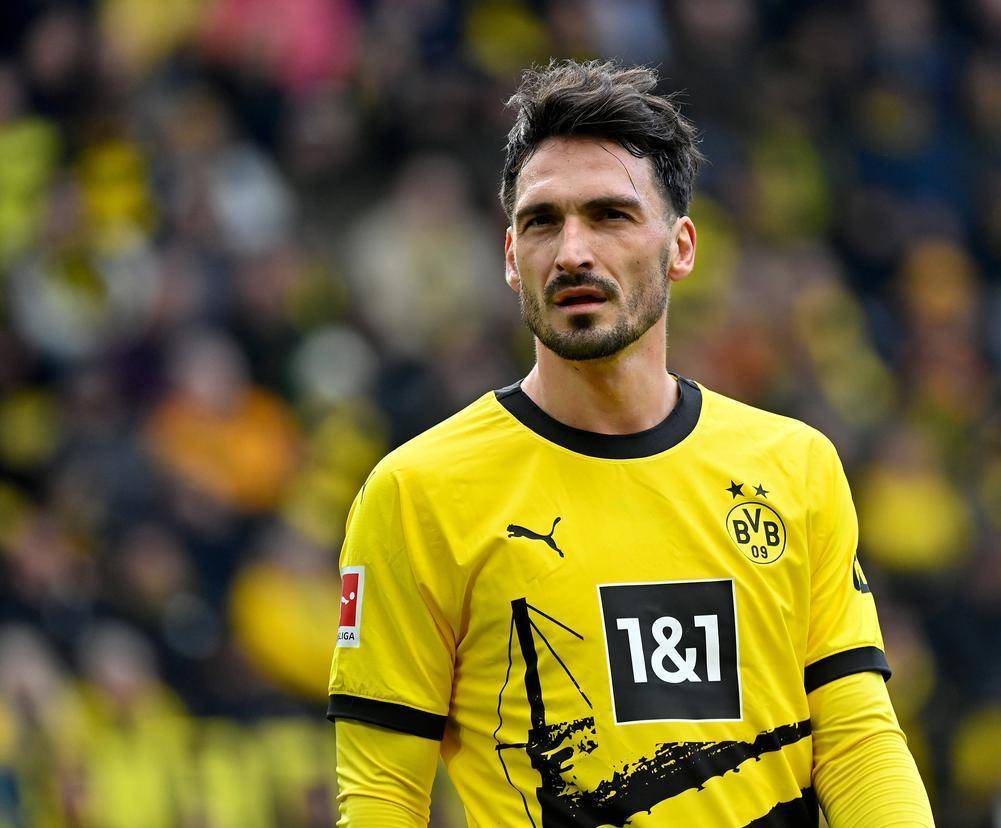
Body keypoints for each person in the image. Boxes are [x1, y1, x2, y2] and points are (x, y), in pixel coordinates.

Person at [328, 59, 934, 827]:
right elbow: (382, 797)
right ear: (511, 258)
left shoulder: (795, 467)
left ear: (681, 247)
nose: (572, 251)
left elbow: (855, 743)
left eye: (610, 216)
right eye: (542, 222)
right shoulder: (416, 493)